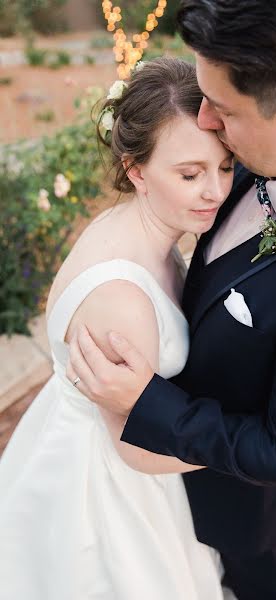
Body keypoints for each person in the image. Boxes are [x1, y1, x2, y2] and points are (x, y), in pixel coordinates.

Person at [67, 2, 276, 599]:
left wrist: (147, 403)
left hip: (248, 517)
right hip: (159, 495)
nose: (203, 118)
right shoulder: (257, 146)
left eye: (220, 110)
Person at [0, 57, 235, 599]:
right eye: (190, 173)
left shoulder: (140, 223)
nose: (216, 191)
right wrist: (258, 446)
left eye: (224, 166)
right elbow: (134, 446)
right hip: (109, 485)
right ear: (135, 169)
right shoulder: (120, 301)